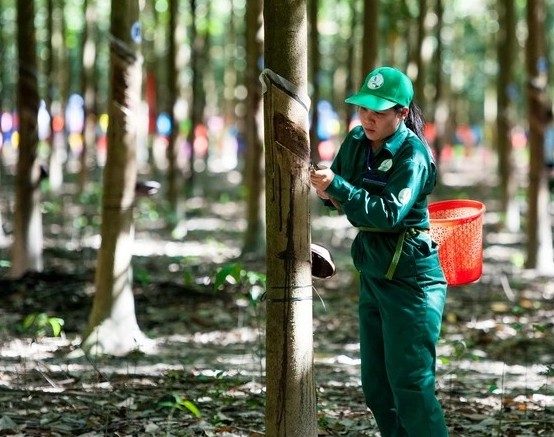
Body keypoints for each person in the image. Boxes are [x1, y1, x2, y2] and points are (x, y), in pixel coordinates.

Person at [310, 66, 449, 437]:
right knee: (376, 387)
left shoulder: (413, 155)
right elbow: (337, 193)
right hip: (373, 270)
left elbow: (388, 213)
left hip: (411, 279)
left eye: (378, 112)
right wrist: (329, 190)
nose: (368, 119)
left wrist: (338, 187)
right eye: (363, 109)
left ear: (401, 113)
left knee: (412, 387)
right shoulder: (356, 141)